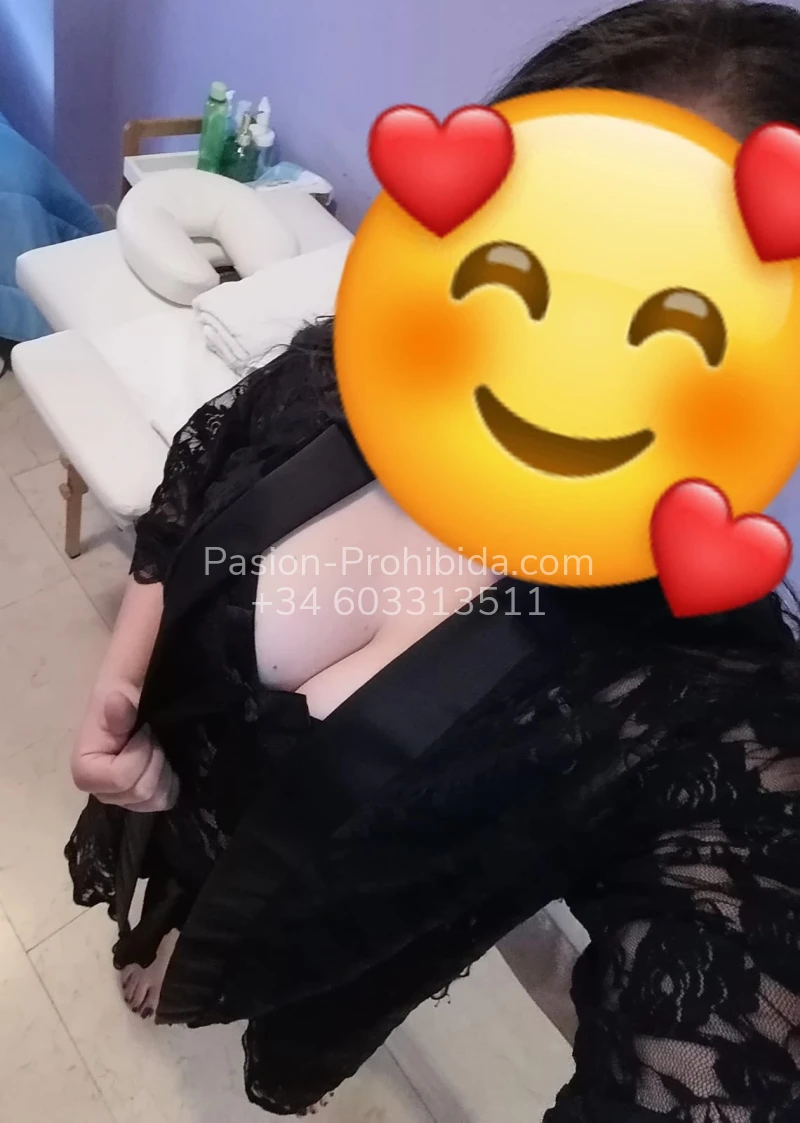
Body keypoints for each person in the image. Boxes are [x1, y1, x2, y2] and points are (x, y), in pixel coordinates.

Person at [67, 1, 800, 1118]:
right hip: (159, 804)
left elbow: (726, 1013)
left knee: (228, 986)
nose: (564, 359)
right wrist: (120, 677)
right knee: (151, 923)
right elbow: (191, 493)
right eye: (529, 271)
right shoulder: (346, 375)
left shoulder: (711, 693)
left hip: (304, 952)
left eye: (682, 325)